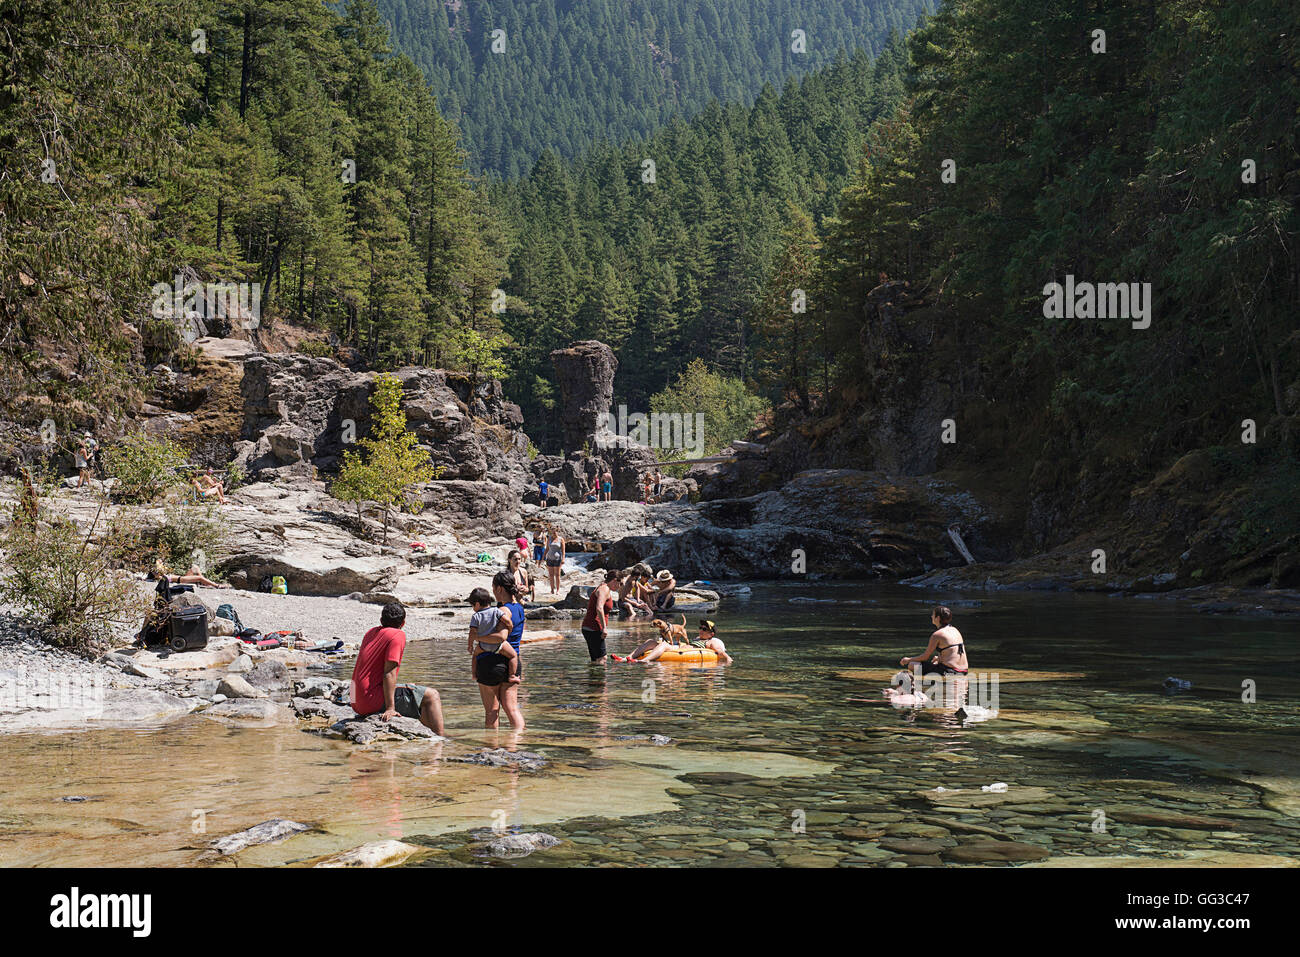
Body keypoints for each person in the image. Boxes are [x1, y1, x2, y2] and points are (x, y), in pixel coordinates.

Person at [351, 602, 445, 734]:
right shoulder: (397, 635)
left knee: (414, 690)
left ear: (381, 620)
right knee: (432, 695)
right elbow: (389, 673)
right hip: (369, 700)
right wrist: (390, 708)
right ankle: (440, 743)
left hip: (354, 698)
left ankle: (427, 735)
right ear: (403, 623)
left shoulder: (371, 632)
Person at [479, 571, 527, 731]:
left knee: (492, 712)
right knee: (512, 709)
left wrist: (479, 637)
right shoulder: (519, 607)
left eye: (493, 588)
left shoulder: (504, 611)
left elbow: (500, 637)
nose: (492, 591)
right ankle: (516, 744)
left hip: (493, 662)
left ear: (499, 588)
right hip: (514, 660)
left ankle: (492, 749)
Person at [467, 586, 520, 688]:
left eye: (473, 606)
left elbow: (472, 632)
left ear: (477, 604)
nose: (473, 609)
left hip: (483, 646)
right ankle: (512, 675)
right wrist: (510, 628)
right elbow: (507, 621)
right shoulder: (496, 611)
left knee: (474, 656)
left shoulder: (476, 616)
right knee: (513, 655)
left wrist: (470, 645)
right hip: (499, 645)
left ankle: (474, 675)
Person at [625, 619, 733, 665]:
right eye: (700, 627)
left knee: (663, 644)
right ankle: (627, 658)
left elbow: (719, 651)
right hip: (679, 648)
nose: (701, 630)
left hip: (682, 651)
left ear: (711, 634)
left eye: (704, 629)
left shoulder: (711, 642)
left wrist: (727, 658)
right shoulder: (697, 638)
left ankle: (645, 660)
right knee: (650, 641)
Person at [899, 605, 969, 676]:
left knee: (912, 665)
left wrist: (908, 660)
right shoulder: (955, 630)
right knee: (935, 662)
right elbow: (953, 652)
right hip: (964, 671)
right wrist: (939, 658)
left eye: (933, 614)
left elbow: (925, 657)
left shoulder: (937, 635)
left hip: (951, 672)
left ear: (938, 618)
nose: (931, 616)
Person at [580, 568, 623, 664]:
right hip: (594, 627)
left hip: (589, 627)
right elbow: (599, 608)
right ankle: (600, 679)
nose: (619, 587)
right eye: (620, 584)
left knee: (595, 660)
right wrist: (604, 628)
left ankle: (593, 678)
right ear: (615, 580)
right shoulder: (604, 589)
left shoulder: (602, 587)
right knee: (602, 659)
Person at [151, 558, 231, 589]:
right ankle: (216, 585)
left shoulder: (161, 571)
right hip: (180, 580)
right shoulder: (160, 575)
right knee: (200, 578)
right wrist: (158, 563)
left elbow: (159, 561)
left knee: (195, 567)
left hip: (182, 578)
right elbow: (158, 563)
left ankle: (204, 583)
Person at [544, 528, 565, 595]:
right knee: (551, 575)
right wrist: (543, 556)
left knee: (557, 575)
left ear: (557, 532)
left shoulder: (561, 539)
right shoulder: (549, 539)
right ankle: (552, 590)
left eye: (555, 532)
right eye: (553, 532)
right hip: (549, 558)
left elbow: (563, 551)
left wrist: (563, 559)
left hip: (557, 559)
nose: (554, 534)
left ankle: (558, 590)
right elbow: (547, 548)